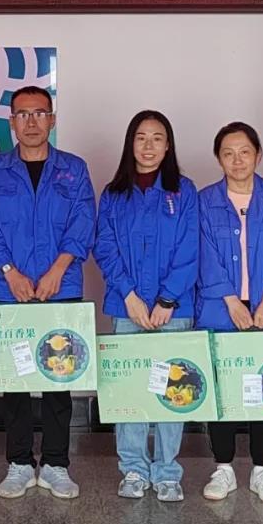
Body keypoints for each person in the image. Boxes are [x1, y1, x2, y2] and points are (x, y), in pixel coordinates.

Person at [0, 85, 95, 499]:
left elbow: (83, 221)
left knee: (60, 376)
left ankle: (57, 463)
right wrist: (10, 273)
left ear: (52, 119)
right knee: (15, 378)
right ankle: (20, 463)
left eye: (39, 113)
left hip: (61, 286)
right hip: (9, 289)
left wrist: (58, 269)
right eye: (23, 114)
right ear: (12, 122)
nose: (31, 122)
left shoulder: (74, 169)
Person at [94, 110, 198, 503]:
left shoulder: (183, 191)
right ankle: (134, 469)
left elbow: (190, 248)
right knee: (131, 391)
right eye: (141, 137)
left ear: (168, 145)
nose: (149, 146)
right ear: (130, 143)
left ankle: (168, 471)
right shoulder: (114, 193)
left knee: (173, 390)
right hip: (128, 309)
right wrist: (129, 296)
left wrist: (167, 298)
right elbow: (105, 247)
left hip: (174, 309)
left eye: (157, 138)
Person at [196, 122, 263, 505]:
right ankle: (223, 468)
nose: (237, 160)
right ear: (218, 158)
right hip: (221, 308)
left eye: (244, 152)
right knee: (222, 388)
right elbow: (205, 257)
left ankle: (261, 471)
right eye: (228, 153)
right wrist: (231, 302)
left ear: (258, 155)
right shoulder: (205, 201)